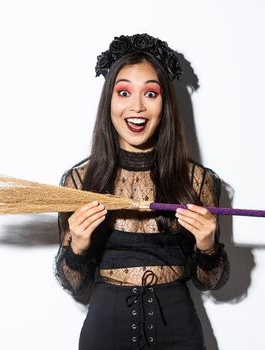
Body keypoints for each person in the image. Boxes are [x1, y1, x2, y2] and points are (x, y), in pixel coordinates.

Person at [54, 33, 230, 349]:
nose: (136, 106)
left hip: (180, 333)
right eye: (124, 92)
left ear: (165, 104)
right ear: (109, 101)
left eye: (150, 93)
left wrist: (207, 246)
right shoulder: (80, 181)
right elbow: (73, 283)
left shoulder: (198, 181)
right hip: (104, 334)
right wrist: (78, 245)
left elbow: (211, 282)